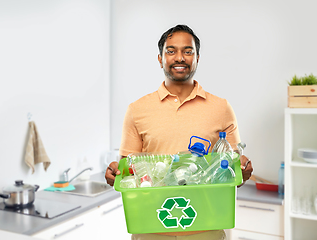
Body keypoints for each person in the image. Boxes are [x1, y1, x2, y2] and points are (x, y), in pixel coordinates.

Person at [105, 24, 253, 240]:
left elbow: (231, 171)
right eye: (171, 51)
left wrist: (243, 171)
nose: (180, 57)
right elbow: (129, 169)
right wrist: (115, 172)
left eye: (188, 51)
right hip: (150, 226)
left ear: (197, 58)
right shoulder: (137, 110)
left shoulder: (221, 108)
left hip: (206, 227)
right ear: (160, 58)